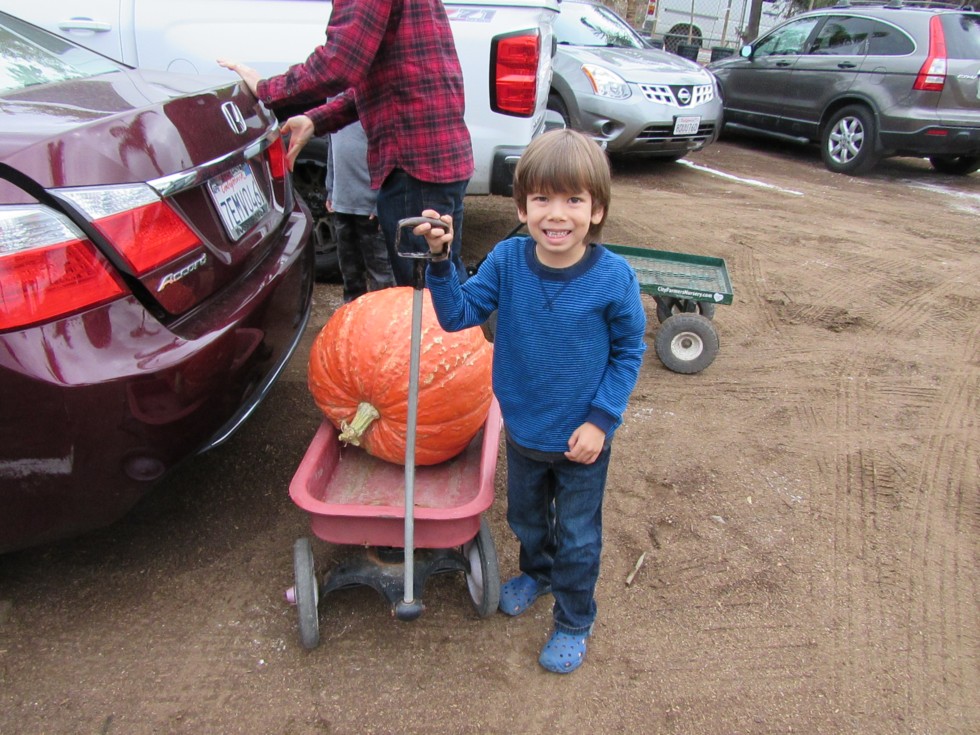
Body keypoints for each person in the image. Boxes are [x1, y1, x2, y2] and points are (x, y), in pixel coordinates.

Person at [415, 129, 647, 674]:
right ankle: (538, 573)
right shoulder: (507, 260)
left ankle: (574, 619)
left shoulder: (614, 278)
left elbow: (628, 353)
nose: (556, 213)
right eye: (542, 198)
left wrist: (601, 421)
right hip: (522, 429)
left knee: (578, 536)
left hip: (581, 440)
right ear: (522, 207)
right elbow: (458, 315)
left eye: (574, 200)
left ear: (596, 210)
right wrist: (442, 260)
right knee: (526, 518)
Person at [217, 0, 473, 286]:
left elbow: (340, 63)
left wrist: (267, 89)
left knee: (426, 297)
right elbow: (389, 82)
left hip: (415, 168)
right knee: (445, 283)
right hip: (438, 160)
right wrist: (316, 120)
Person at [326, 120, 395, 302]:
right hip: (342, 204)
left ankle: (383, 316)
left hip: (370, 209)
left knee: (380, 274)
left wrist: (381, 203)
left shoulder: (373, 110)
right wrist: (331, 188)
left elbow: (391, 157)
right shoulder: (334, 110)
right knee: (349, 271)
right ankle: (351, 313)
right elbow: (332, 148)